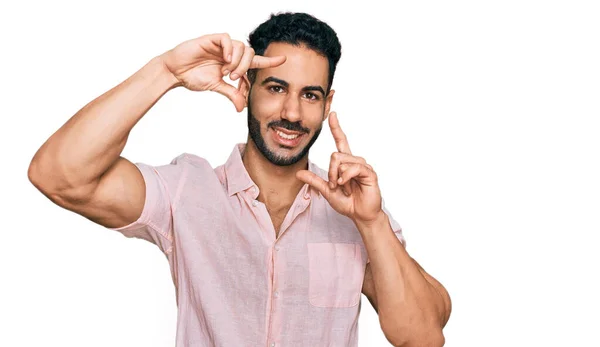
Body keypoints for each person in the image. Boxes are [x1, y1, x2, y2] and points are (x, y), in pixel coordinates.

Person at [28, 12, 451, 347]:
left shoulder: (355, 211)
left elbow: (424, 336)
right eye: (276, 88)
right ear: (247, 86)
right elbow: (59, 176)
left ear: (327, 104)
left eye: (310, 95)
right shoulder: (185, 193)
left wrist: (372, 223)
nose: (291, 113)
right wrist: (166, 73)